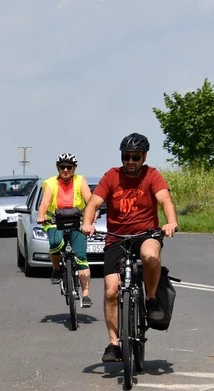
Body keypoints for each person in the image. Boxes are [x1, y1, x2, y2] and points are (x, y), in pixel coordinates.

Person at [82, 133, 179, 363]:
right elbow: (94, 202)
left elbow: (165, 200)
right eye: (126, 156)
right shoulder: (112, 176)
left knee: (150, 255)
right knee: (111, 290)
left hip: (146, 234)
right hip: (117, 238)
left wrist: (170, 222)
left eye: (135, 157)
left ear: (144, 157)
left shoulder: (151, 175)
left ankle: (151, 299)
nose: (130, 161)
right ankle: (113, 344)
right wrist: (87, 223)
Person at [37, 153, 93, 307]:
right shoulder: (50, 183)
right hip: (55, 221)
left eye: (69, 167)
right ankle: (56, 269)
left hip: (77, 221)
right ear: (58, 168)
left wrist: (92, 215)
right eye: (62, 167)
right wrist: (41, 215)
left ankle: (86, 294)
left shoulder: (80, 180)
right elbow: (44, 202)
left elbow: (89, 199)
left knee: (81, 256)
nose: (66, 170)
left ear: (74, 168)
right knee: (55, 243)